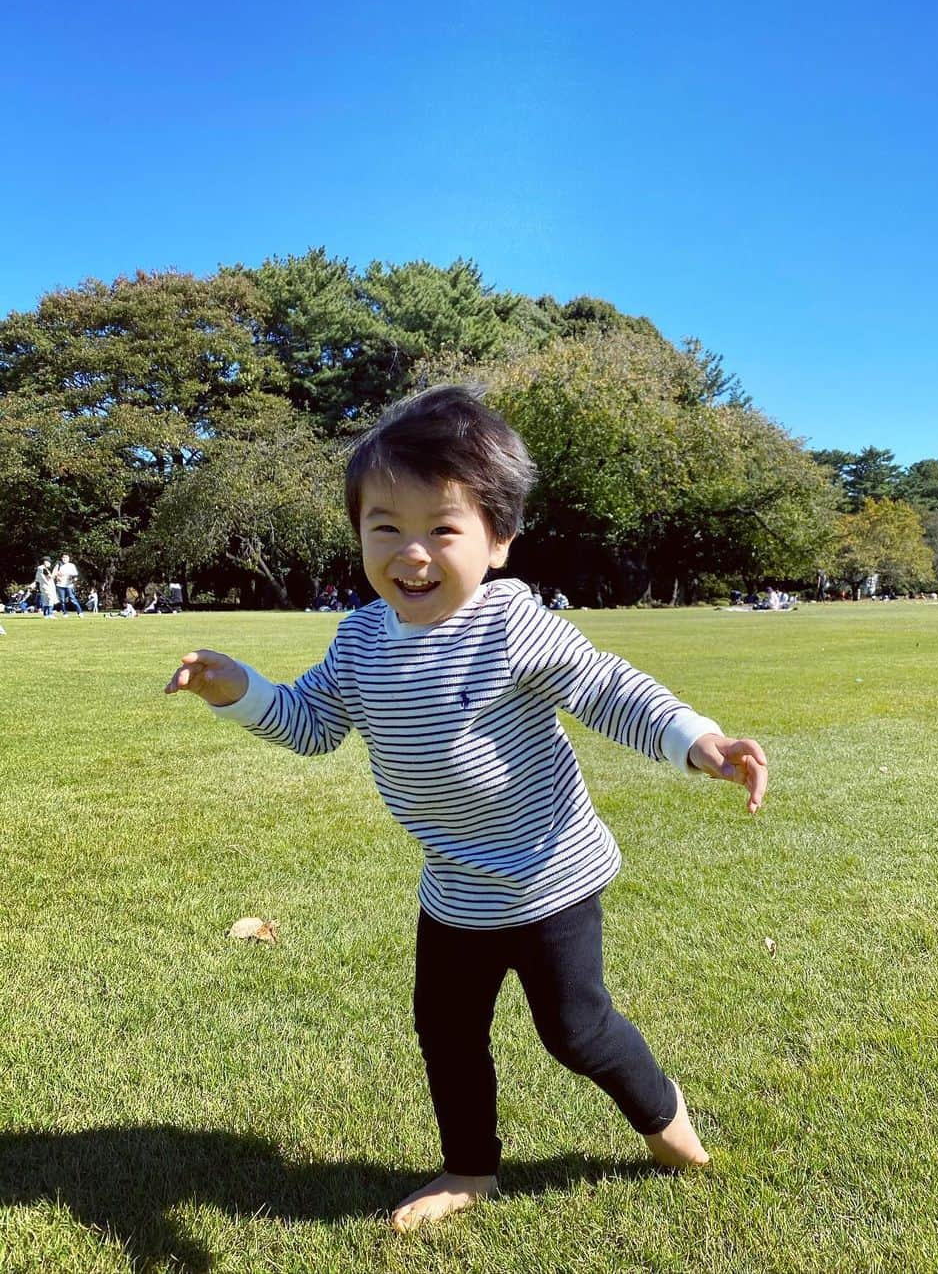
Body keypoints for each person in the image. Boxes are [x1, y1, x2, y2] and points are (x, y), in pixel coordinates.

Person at [165, 385, 768, 1234]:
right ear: (360, 535)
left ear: (498, 541)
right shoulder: (360, 642)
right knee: (446, 1034)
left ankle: (666, 1117)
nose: (411, 552)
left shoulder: (511, 622)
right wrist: (241, 691)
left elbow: (603, 686)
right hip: (454, 889)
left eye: (441, 528)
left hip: (551, 877)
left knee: (576, 1029)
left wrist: (696, 738)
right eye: (385, 526)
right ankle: (469, 1167)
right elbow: (310, 726)